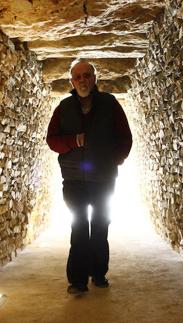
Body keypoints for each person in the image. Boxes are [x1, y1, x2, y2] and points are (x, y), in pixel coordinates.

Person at [46, 58, 132, 295]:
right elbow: (52, 140)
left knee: (101, 225)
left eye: (87, 75)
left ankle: (99, 273)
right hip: (74, 179)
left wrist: (116, 158)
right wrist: (73, 141)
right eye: (78, 77)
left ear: (95, 79)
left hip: (104, 178)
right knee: (80, 226)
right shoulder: (63, 108)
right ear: (71, 81)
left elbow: (125, 137)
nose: (82, 80)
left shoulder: (110, 104)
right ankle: (77, 280)